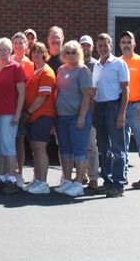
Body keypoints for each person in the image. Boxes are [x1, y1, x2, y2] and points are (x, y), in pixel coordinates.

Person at [0, 37, 26, 194]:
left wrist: (17, 115)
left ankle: (11, 179)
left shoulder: (16, 67)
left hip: (10, 113)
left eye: (5, 49)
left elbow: (22, 93)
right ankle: (2, 177)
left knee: (9, 146)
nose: (2, 52)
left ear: (10, 52)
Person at [54, 41, 93, 197]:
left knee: (79, 150)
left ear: (79, 54)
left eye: (73, 52)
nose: (70, 55)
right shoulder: (61, 70)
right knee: (65, 149)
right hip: (62, 117)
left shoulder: (83, 71)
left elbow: (86, 96)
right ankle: (68, 181)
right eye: (67, 52)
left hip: (77, 117)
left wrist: (82, 116)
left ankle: (78, 182)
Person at [93, 33, 129, 198]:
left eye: (104, 45)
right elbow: (94, 90)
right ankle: (107, 182)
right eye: (99, 45)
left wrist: (121, 113)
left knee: (117, 148)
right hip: (99, 107)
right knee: (103, 148)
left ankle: (118, 183)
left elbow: (125, 90)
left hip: (113, 107)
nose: (102, 48)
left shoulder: (119, 64)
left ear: (110, 45)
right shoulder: (97, 66)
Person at [23, 42, 56, 194]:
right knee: (35, 149)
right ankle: (37, 179)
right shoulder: (35, 72)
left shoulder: (46, 72)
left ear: (44, 54)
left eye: (39, 52)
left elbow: (42, 97)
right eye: (34, 52)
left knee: (40, 148)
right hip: (33, 117)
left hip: (42, 116)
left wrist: (28, 112)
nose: (36, 55)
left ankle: (43, 182)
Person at [119, 30, 140, 189]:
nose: (126, 45)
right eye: (123, 42)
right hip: (122, 108)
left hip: (138, 106)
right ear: (120, 45)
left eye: (128, 42)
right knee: (121, 144)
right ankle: (121, 177)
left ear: (134, 44)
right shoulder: (118, 62)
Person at [12, 31, 35, 188]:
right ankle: (9, 172)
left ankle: (19, 173)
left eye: (22, 43)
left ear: (27, 46)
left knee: (19, 140)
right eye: (16, 43)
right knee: (7, 142)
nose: (19, 46)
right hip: (7, 106)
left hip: (22, 108)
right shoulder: (8, 60)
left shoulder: (30, 64)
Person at [79, 34, 99, 190]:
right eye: (83, 45)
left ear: (92, 48)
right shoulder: (76, 65)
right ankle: (82, 175)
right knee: (79, 145)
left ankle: (93, 177)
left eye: (88, 45)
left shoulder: (96, 65)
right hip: (76, 111)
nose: (85, 48)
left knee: (91, 145)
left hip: (91, 111)